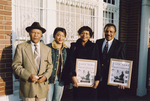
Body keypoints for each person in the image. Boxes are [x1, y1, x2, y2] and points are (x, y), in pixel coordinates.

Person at [12, 22, 53, 101]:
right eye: (33, 32)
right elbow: (16, 65)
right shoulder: (21, 47)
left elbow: (50, 66)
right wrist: (28, 75)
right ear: (29, 33)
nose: (36, 35)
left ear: (41, 35)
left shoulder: (47, 49)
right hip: (28, 87)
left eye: (38, 33)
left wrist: (45, 76)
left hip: (42, 87)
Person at [69, 26, 101, 101]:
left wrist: (98, 79)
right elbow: (70, 61)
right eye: (82, 33)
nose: (84, 35)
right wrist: (73, 76)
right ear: (79, 34)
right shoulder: (74, 46)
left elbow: (98, 62)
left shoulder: (94, 46)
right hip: (77, 79)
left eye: (87, 33)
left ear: (90, 35)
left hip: (91, 79)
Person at [96, 23, 126, 101]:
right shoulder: (98, 42)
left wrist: (122, 81)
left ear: (115, 33)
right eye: (106, 31)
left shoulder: (120, 45)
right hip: (99, 78)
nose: (108, 33)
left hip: (112, 79)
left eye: (111, 32)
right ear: (104, 32)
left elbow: (122, 62)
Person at [46, 27, 69, 101]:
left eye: (63, 36)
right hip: (49, 78)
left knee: (57, 99)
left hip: (60, 79)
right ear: (54, 35)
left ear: (65, 37)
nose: (60, 38)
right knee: (48, 99)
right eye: (58, 35)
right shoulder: (47, 47)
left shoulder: (66, 49)